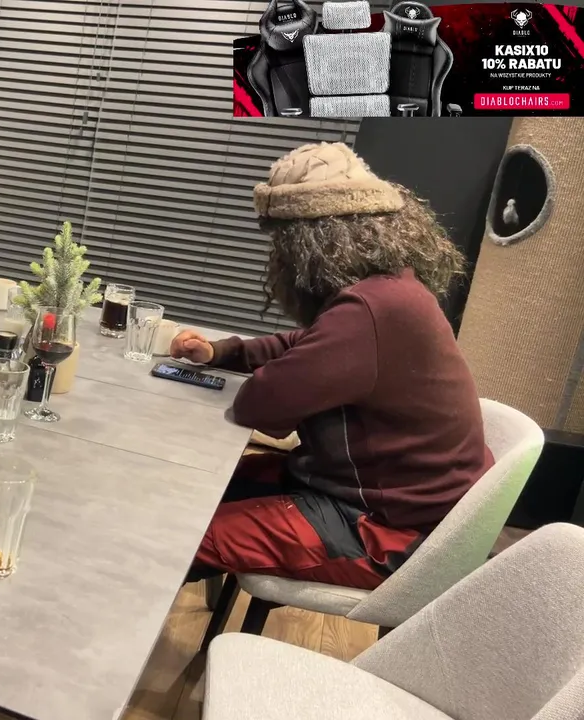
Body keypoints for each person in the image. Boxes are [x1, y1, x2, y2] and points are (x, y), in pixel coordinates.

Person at [175, 142, 493, 590]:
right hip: (374, 495)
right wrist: (223, 352)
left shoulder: (371, 309)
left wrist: (277, 374)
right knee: (192, 488)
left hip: (389, 531)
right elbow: (306, 346)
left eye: (281, 242)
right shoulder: (392, 291)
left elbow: (259, 405)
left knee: (178, 536)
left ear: (309, 242)